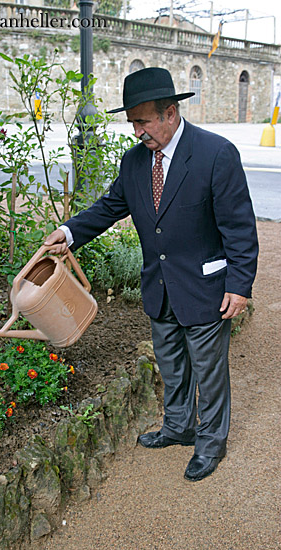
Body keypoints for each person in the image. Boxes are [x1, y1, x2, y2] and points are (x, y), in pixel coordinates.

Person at [45, 67, 258, 481]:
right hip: (160, 288)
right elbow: (109, 207)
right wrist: (69, 233)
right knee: (173, 367)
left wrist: (239, 285)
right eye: (132, 123)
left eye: (142, 121)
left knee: (208, 374)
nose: (137, 131)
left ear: (170, 113)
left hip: (206, 288)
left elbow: (239, 227)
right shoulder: (134, 161)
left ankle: (211, 443)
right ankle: (179, 427)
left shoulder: (217, 153)